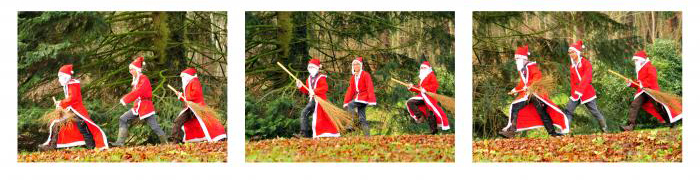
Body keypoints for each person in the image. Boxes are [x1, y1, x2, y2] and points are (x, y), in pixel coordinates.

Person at [499, 45, 569, 138]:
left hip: (536, 94)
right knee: (515, 107)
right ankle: (511, 131)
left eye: (517, 59)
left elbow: (537, 77)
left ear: (523, 58)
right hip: (528, 95)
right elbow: (522, 82)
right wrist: (515, 89)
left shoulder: (532, 66)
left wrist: (529, 86)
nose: (516, 61)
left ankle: (553, 133)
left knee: (542, 113)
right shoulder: (521, 69)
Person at [38, 64, 109, 151]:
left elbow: (73, 98)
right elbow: (70, 98)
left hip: (77, 111)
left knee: (83, 128)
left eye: (60, 76)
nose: (59, 78)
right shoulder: (68, 84)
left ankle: (91, 148)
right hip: (71, 110)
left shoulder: (73, 84)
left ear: (66, 76)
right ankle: (52, 146)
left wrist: (61, 102)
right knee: (56, 124)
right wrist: (61, 103)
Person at [620, 50, 682, 131]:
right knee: (634, 105)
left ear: (641, 59)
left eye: (636, 60)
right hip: (643, 91)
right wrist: (631, 83)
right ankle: (630, 126)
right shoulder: (639, 69)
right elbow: (639, 83)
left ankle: (671, 122)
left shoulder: (650, 67)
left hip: (652, 90)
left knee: (658, 107)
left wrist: (643, 84)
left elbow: (652, 79)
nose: (635, 62)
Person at [113, 57, 167, 146]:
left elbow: (138, 92)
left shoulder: (143, 79)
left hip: (146, 107)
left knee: (154, 127)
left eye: (132, 69)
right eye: (129, 70)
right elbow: (134, 93)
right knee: (123, 119)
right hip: (137, 107)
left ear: (137, 70)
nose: (130, 71)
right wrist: (125, 99)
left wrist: (125, 99)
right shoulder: (136, 80)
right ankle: (119, 143)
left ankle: (165, 143)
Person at [171, 68, 227, 143]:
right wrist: (180, 95)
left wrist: (185, 97)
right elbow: (187, 98)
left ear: (187, 76)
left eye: (183, 77)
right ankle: (176, 141)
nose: (182, 79)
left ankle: (175, 142)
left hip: (196, 107)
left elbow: (195, 94)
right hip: (191, 107)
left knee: (207, 123)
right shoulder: (189, 83)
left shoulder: (194, 82)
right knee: (181, 122)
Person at [562, 40, 608, 133]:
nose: (571, 54)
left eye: (573, 52)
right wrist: (574, 93)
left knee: (595, 112)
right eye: (569, 52)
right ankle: (565, 131)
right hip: (576, 94)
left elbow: (587, 78)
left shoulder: (586, 63)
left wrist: (580, 90)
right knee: (568, 110)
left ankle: (605, 129)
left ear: (577, 52)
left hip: (587, 92)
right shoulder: (572, 66)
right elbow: (573, 82)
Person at [296, 59, 339, 138]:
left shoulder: (321, 77)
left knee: (305, 113)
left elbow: (324, 88)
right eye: (310, 67)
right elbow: (307, 90)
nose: (311, 69)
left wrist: (315, 91)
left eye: (313, 67)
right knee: (304, 113)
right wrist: (301, 86)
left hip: (319, 100)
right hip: (313, 99)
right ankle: (304, 133)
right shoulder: (309, 78)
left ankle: (304, 134)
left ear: (317, 68)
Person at [405, 61, 450, 134]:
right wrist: (411, 87)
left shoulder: (431, 75)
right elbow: (419, 88)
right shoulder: (422, 78)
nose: (422, 69)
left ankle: (433, 131)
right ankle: (420, 116)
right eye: (421, 68)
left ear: (428, 68)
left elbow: (435, 85)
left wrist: (425, 89)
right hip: (422, 96)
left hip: (429, 97)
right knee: (410, 102)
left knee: (430, 113)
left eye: (424, 68)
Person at [342, 57, 377, 136]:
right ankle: (367, 136)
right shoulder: (353, 77)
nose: (355, 66)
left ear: (361, 65)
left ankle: (350, 124)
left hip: (364, 98)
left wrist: (371, 99)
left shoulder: (365, 75)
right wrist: (346, 101)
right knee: (362, 118)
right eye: (354, 65)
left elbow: (369, 86)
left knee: (351, 104)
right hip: (358, 98)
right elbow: (350, 90)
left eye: (357, 64)